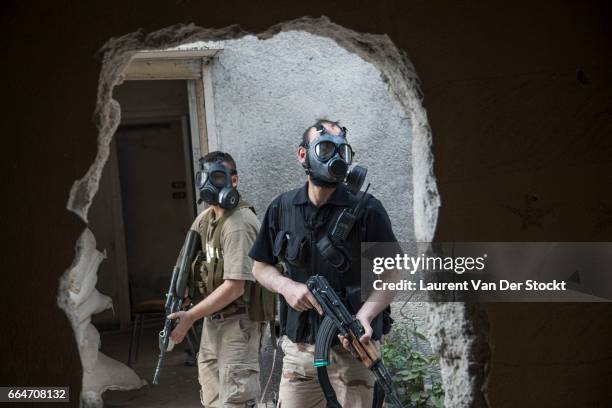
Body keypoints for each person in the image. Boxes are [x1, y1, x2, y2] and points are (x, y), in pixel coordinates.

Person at [249, 119, 397, 408]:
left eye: (342, 151)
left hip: (354, 350)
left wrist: (365, 316)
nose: (335, 158)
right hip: (299, 352)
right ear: (303, 154)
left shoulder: (367, 209)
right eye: (326, 148)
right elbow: (260, 267)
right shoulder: (282, 208)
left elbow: (393, 274)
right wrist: (286, 286)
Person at [168, 151, 270, 408]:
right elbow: (186, 266)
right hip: (213, 323)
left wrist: (191, 316)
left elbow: (235, 287)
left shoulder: (239, 223)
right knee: (212, 399)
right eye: (204, 177)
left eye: (217, 177)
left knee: (237, 399)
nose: (208, 184)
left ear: (233, 181)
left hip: (238, 324)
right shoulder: (206, 219)